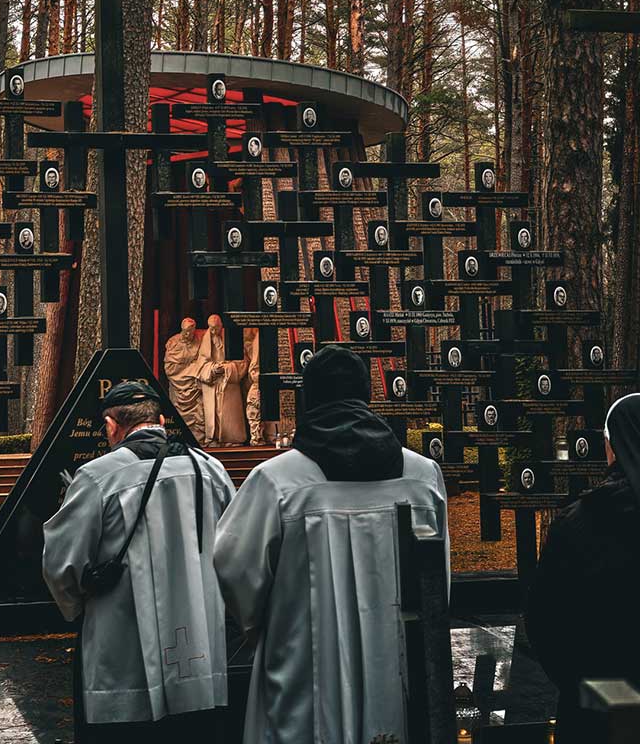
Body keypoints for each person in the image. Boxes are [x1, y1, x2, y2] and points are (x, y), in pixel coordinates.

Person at [213, 345, 450, 744]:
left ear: (310, 399)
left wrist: (259, 627)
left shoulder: (277, 481)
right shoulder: (422, 476)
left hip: (304, 657)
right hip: (397, 663)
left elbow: (234, 564)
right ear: (366, 395)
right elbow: (435, 583)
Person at [42, 381, 235, 743]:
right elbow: (235, 551)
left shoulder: (98, 477)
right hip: (202, 639)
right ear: (161, 420)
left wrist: (76, 605)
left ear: (112, 426)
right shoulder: (211, 470)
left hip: (122, 643)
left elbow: (62, 563)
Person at [526, 392, 640, 743]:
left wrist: (583, 687)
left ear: (612, 446)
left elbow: (544, 621)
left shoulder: (578, 522)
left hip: (597, 706)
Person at [195, 314, 248, 445]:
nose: (214, 332)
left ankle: (232, 439)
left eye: (216, 328)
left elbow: (242, 362)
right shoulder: (206, 343)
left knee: (229, 415)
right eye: (211, 329)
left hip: (228, 383)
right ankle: (213, 439)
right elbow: (201, 365)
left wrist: (227, 368)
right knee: (214, 414)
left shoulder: (232, 340)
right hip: (212, 383)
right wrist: (212, 369)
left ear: (221, 326)